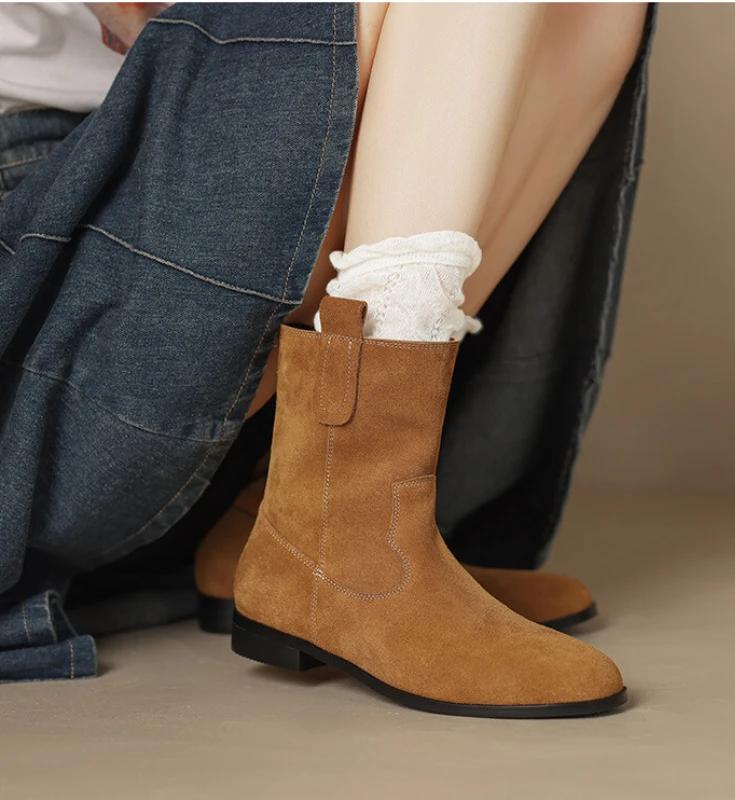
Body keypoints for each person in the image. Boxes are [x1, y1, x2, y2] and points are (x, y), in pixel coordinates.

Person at [0, 3, 651, 716]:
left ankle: (293, 515)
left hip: (176, 255)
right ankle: (349, 542)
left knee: (596, 10)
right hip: (37, 236)